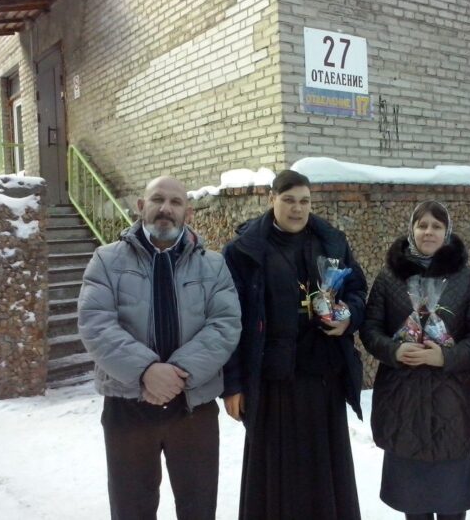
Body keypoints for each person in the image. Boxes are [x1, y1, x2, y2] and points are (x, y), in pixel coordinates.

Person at [78, 176, 242, 520]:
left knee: (198, 508)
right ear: (141, 206)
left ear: (188, 213)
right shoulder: (106, 260)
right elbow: (96, 323)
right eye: (157, 199)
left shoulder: (213, 265)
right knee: (131, 509)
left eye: (175, 202)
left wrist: (178, 374)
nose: (166, 208)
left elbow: (225, 325)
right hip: (128, 405)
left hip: (193, 406)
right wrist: (146, 371)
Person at [221, 169, 367, 520]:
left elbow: (357, 291)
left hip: (323, 379)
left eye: (304, 201)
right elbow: (230, 320)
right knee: (277, 472)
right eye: (288, 200)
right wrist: (233, 384)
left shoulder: (332, 243)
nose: (297, 209)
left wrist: (348, 317)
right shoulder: (243, 251)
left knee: (324, 470)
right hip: (273, 381)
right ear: (271, 199)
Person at [361, 200, 470, 520]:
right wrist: (394, 351)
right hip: (402, 401)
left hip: (452, 403)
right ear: (412, 230)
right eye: (422, 225)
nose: (429, 232)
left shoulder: (465, 279)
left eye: (436, 226)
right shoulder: (390, 277)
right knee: (414, 504)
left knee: (452, 503)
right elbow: (370, 329)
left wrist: (445, 357)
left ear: (447, 232)